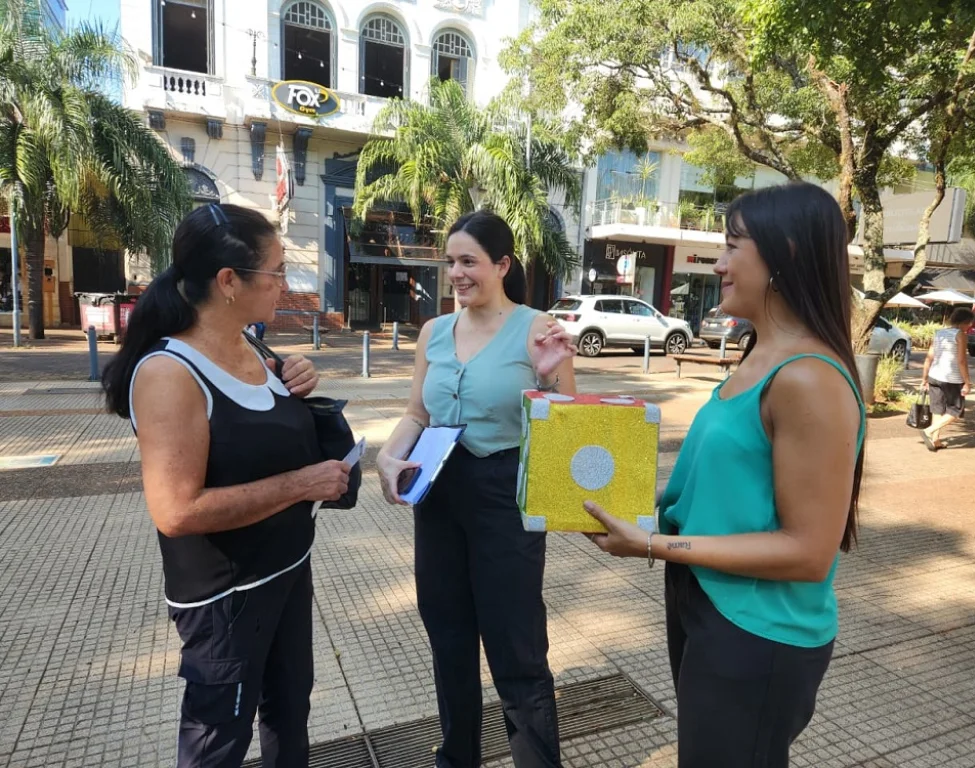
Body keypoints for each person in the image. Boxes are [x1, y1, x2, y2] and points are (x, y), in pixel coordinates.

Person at [582, 184, 865, 767]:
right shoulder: (757, 356)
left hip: (759, 632)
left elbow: (809, 551)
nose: (719, 263)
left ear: (784, 251)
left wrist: (656, 544)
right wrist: (627, 505)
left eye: (733, 246)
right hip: (706, 600)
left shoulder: (809, 378)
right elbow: (717, 491)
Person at [102, 204, 351, 768]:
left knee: (290, 713)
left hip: (287, 572)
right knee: (218, 743)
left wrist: (301, 385)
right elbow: (176, 510)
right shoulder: (170, 373)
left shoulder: (256, 350)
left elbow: (265, 436)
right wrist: (300, 483)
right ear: (229, 282)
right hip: (226, 601)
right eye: (276, 272)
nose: (284, 284)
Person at [376, 210, 576, 768]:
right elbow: (418, 411)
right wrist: (390, 456)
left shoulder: (538, 327)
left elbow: (562, 425)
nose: (457, 274)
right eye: (451, 262)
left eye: (469, 261)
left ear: (502, 265)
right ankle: (456, 758)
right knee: (449, 638)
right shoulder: (435, 332)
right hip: (436, 494)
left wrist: (548, 374)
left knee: (517, 647)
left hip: (504, 498)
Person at [920, 307, 973, 451]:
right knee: (955, 411)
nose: (970, 326)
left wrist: (924, 378)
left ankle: (935, 441)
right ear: (965, 322)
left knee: (937, 409)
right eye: (970, 323)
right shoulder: (960, 334)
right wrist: (967, 382)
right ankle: (929, 431)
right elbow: (962, 361)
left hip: (934, 376)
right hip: (952, 379)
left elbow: (929, 357)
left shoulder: (939, 333)